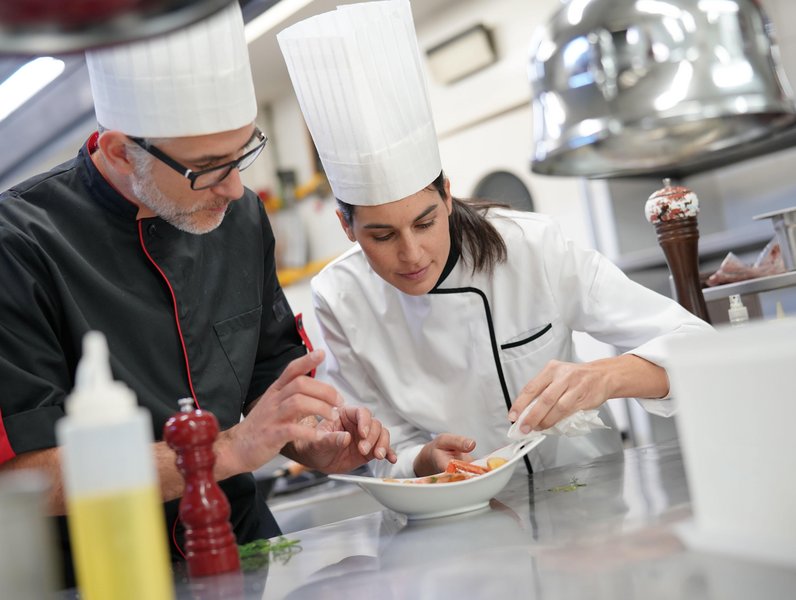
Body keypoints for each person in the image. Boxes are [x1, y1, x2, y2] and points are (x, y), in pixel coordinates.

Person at [0, 3, 395, 586]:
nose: (236, 188)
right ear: (117, 152)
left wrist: (316, 442)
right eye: (207, 168)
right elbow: (23, 478)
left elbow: (272, 379)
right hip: (105, 576)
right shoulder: (18, 245)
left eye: (243, 153)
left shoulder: (239, 217)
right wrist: (230, 449)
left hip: (249, 557)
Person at [278, 0, 713, 479]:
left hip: (588, 496)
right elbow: (377, 443)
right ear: (347, 228)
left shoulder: (532, 247)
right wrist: (420, 461)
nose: (411, 253)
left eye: (425, 223)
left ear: (446, 196)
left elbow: (696, 346)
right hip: (454, 524)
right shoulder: (340, 296)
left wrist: (604, 376)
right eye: (381, 236)